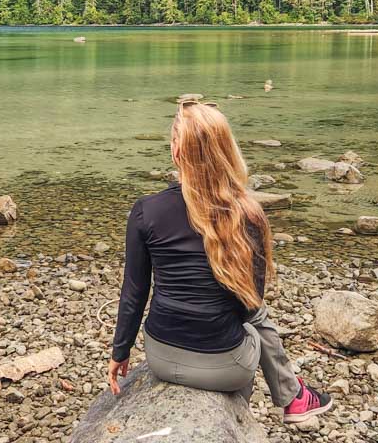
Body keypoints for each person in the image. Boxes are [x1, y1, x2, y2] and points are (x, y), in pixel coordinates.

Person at [106, 101, 333, 425]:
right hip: (225, 368)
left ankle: (278, 404)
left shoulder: (146, 211)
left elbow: (134, 292)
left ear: (176, 152)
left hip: (160, 355)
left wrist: (120, 352)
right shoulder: (248, 215)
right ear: (225, 150)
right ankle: (286, 401)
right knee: (256, 320)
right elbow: (249, 305)